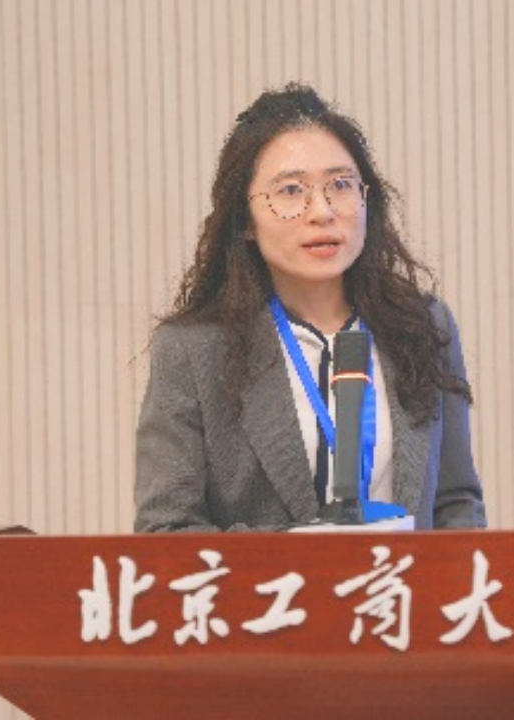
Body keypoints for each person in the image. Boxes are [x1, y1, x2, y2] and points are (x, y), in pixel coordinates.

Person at [134, 83, 486, 532]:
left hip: (401, 581)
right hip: (271, 583)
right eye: (290, 190)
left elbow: (456, 504)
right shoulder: (194, 350)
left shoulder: (421, 327)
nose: (322, 211)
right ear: (245, 221)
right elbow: (166, 529)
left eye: (340, 185)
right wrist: (303, 555)